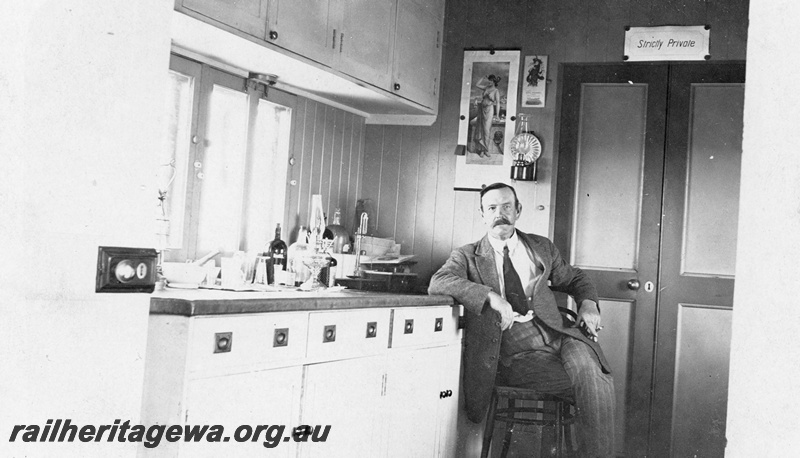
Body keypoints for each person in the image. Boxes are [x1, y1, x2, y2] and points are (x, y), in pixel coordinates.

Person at [428, 182, 615, 457]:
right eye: (491, 208)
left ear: (518, 210)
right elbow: (439, 281)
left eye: (506, 207)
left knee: (590, 373)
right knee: (595, 383)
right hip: (515, 349)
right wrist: (491, 296)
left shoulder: (540, 247)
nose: (499, 214)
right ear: (482, 214)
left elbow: (575, 278)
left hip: (559, 335)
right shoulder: (467, 256)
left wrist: (588, 304)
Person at [470, 74, 501, 157]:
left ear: (494, 82)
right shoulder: (486, 88)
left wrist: (497, 115)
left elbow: (498, 103)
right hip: (481, 110)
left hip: (489, 110)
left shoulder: (496, 91)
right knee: (480, 129)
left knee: (487, 130)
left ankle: (486, 150)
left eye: (491, 81)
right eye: (488, 81)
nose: (489, 82)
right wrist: (482, 78)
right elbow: (477, 85)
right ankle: (481, 150)